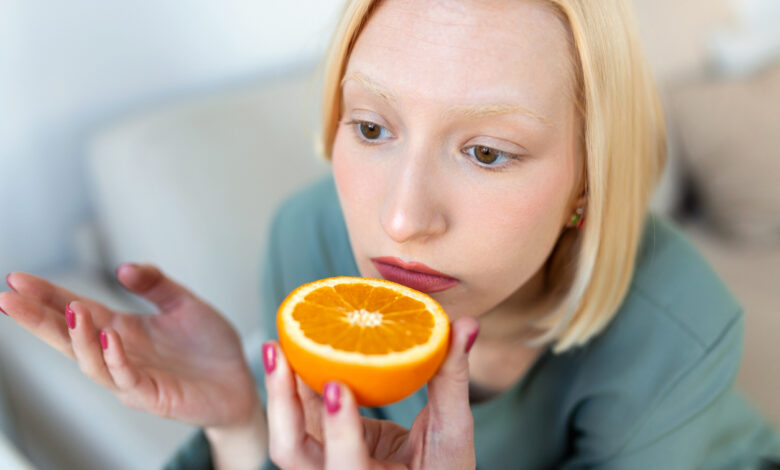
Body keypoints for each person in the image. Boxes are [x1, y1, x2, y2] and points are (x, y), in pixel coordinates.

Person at [2, 0, 779, 468]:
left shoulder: (681, 329)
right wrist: (240, 419)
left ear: (588, 181)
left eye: (486, 152)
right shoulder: (307, 236)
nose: (402, 221)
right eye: (371, 128)